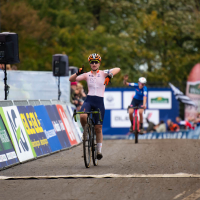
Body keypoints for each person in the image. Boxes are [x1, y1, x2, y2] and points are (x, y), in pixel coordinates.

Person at [69, 53, 120, 160]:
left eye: (96, 62)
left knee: (98, 128)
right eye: (92, 62)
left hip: (99, 102)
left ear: (99, 63)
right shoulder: (87, 74)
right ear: (90, 63)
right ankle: (85, 131)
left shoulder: (104, 73)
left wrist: (110, 75)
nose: (94, 64)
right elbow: (71, 79)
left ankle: (99, 151)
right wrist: (77, 73)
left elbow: (117, 68)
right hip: (89, 100)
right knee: (83, 116)